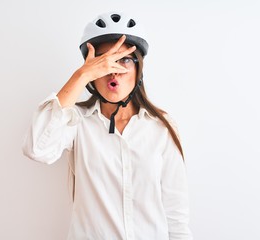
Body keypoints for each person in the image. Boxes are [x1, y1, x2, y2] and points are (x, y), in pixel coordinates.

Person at [22, 11, 193, 240]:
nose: (114, 70)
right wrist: (81, 75)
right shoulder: (77, 122)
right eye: (103, 62)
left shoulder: (161, 127)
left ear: (138, 69)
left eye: (124, 60)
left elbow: (176, 216)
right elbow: (36, 148)